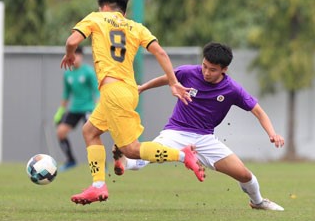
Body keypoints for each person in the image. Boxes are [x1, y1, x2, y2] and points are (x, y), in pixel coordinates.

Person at [60, 0, 205, 205]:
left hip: (113, 91)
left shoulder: (96, 18)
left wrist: (70, 54)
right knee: (90, 131)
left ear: (104, 7)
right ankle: (98, 186)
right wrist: (173, 82)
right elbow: (160, 52)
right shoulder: (136, 27)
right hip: (128, 89)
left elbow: (72, 41)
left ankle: (184, 154)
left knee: (132, 150)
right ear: (123, 11)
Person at [114, 42, 285, 211]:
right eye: (204, 66)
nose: (206, 72)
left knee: (244, 175)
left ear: (224, 69)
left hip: (205, 139)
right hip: (175, 132)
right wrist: (143, 88)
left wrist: (272, 133)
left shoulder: (232, 89)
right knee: (143, 158)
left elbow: (258, 111)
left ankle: (257, 202)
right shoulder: (189, 72)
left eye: (212, 69)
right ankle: (124, 162)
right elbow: (168, 79)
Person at [54, 45, 99, 171]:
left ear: (81, 56)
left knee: (92, 135)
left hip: (88, 108)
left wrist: (97, 106)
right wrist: (61, 110)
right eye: (73, 55)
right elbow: (66, 94)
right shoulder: (68, 74)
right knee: (60, 132)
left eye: (78, 55)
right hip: (75, 109)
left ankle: (101, 164)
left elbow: (97, 90)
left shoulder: (88, 72)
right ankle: (71, 160)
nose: (76, 58)